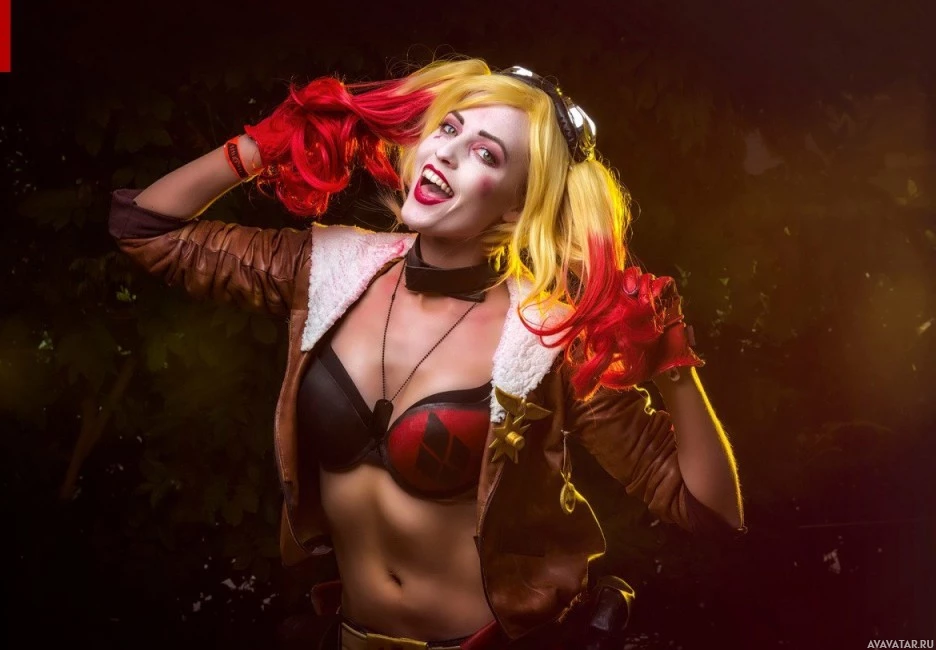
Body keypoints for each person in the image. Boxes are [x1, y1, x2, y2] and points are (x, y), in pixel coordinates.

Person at [108, 57, 746, 650]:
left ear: (518, 205)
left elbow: (707, 510)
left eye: (486, 154)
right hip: (348, 636)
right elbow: (145, 230)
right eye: (448, 128)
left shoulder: (547, 337)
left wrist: (673, 365)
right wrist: (259, 148)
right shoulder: (326, 269)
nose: (447, 153)